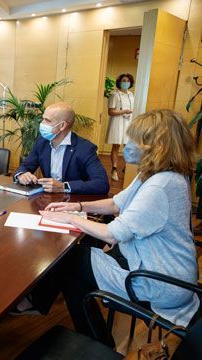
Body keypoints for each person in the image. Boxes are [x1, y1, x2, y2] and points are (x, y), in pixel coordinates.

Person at [36, 109, 199, 344]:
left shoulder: (161, 185)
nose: (126, 144)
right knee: (76, 258)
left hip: (161, 283)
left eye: (133, 139)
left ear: (154, 145)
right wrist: (77, 207)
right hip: (156, 265)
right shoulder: (155, 174)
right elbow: (115, 203)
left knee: (71, 262)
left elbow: (113, 233)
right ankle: (48, 308)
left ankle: (98, 343)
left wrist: (71, 219)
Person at [13, 102, 109, 195]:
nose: (42, 123)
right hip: (47, 200)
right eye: (43, 119)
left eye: (48, 120)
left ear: (62, 125)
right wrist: (21, 175)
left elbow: (102, 184)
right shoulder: (42, 142)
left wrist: (63, 187)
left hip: (74, 202)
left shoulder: (85, 148)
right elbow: (25, 166)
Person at [106, 73, 135, 181]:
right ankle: (114, 169)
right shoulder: (115, 95)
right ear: (119, 82)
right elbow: (110, 111)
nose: (126, 83)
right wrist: (123, 111)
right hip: (117, 122)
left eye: (128, 81)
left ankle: (127, 168)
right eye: (123, 80)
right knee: (116, 145)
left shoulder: (131, 95)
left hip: (129, 122)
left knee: (128, 146)